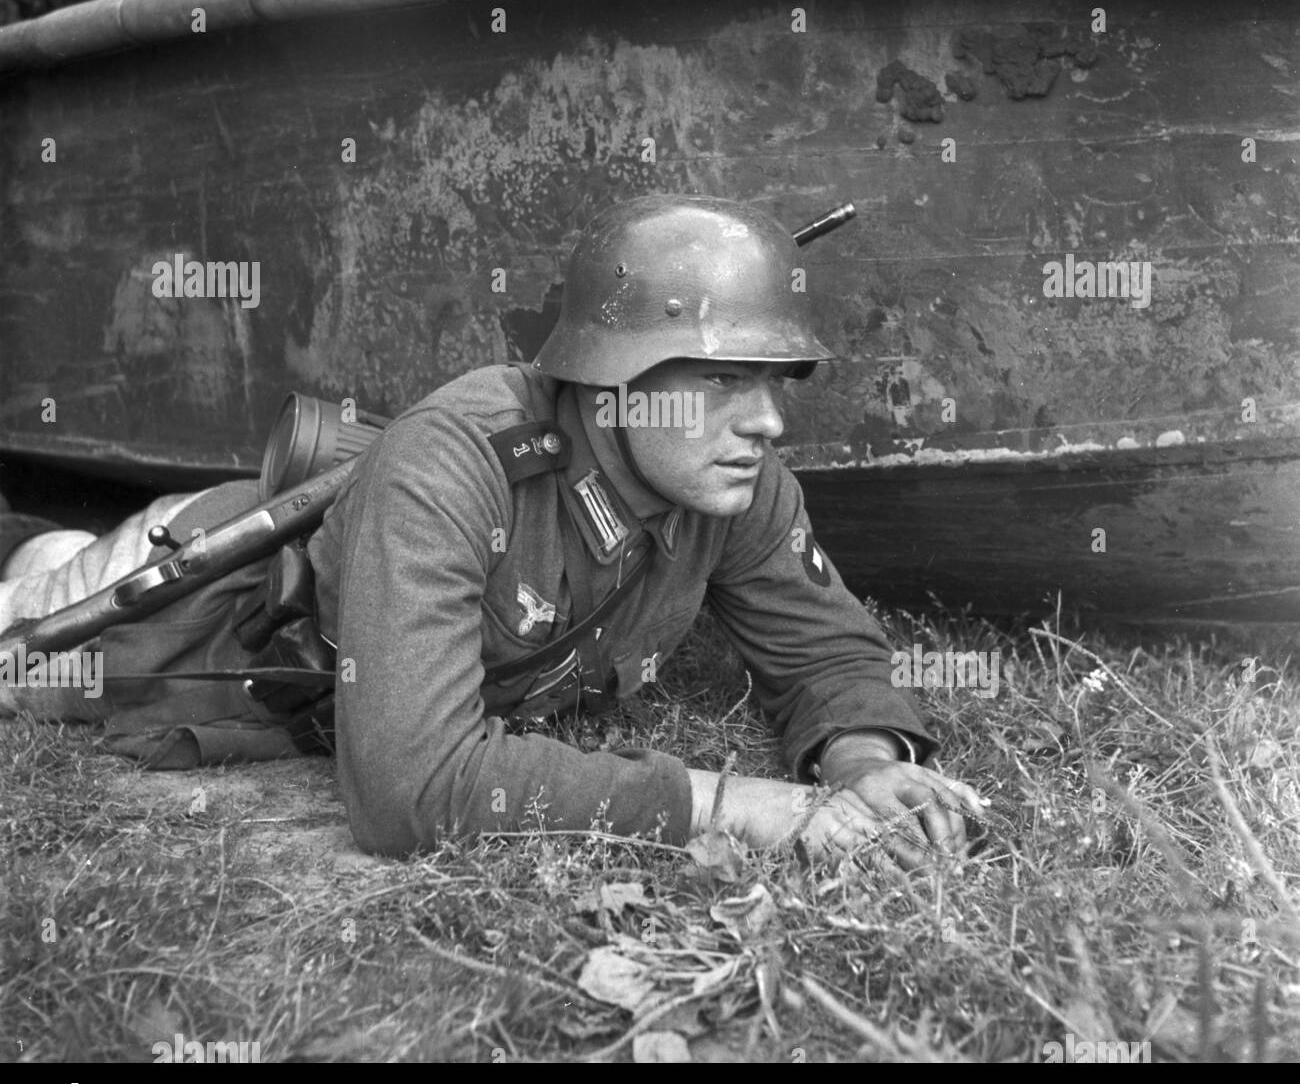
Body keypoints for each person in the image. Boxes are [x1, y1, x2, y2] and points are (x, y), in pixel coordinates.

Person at [0, 195, 985, 865]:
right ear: (612, 382)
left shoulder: (737, 484)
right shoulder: (456, 459)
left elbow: (825, 652)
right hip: (193, 606)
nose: (767, 420)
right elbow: (410, 790)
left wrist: (863, 764)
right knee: (25, 603)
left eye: (773, 381)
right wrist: (748, 807)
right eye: (723, 381)